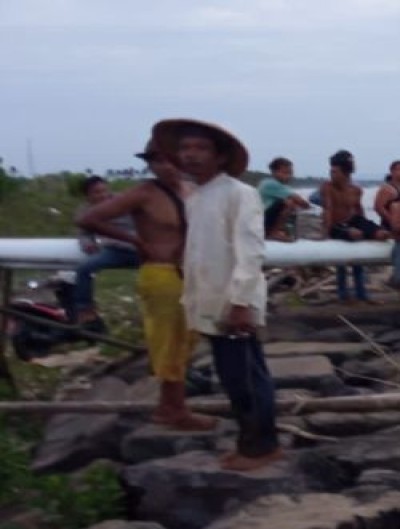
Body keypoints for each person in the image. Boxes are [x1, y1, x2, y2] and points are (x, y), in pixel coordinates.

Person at [152, 117, 282, 471]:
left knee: (245, 378)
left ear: (220, 157)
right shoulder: (198, 197)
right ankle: (252, 441)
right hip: (210, 301)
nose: (191, 155)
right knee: (235, 374)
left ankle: (260, 447)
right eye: (185, 148)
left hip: (232, 303)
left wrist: (240, 301)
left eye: (201, 148)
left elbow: (250, 251)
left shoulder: (239, 194)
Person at [76, 141, 217, 431]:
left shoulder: (191, 190)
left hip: (190, 272)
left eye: (169, 159)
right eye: (157, 161)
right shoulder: (144, 193)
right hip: (161, 273)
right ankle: (173, 410)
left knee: (187, 340)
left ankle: (172, 407)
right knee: (168, 342)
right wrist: (135, 241)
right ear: (150, 165)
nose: (165, 166)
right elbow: (89, 218)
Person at [320, 150, 388, 303]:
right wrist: (326, 233)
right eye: (331, 171)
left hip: (351, 222)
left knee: (371, 240)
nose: (331, 175)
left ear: (345, 173)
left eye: (335, 172)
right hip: (336, 226)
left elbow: (359, 210)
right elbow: (328, 209)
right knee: (343, 261)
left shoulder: (356, 190)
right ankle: (344, 295)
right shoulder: (327, 187)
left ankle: (362, 295)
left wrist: (368, 229)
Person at [72, 176, 140, 325]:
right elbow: (83, 233)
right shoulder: (86, 211)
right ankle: (85, 309)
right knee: (84, 269)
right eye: (97, 192)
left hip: (141, 247)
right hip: (115, 250)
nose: (103, 195)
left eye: (104, 191)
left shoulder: (124, 202)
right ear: (88, 196)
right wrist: (88, 244)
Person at [258, 157, 310, 240]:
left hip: (264, 218)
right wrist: (309, 207)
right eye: (285, 173)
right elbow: (301, 201)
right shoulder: (270, 184)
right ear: (274, 172)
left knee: (290, 204)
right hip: (261, 219)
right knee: (288, 203)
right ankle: (274, 232)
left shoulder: (281, 186)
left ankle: (281, 230)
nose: (289, 176)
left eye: (290, 173)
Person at [374, 160, 400, 231]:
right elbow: (379, 208)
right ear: (392, 171)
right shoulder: (387, 189)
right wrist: (393, 221)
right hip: (391, 227)